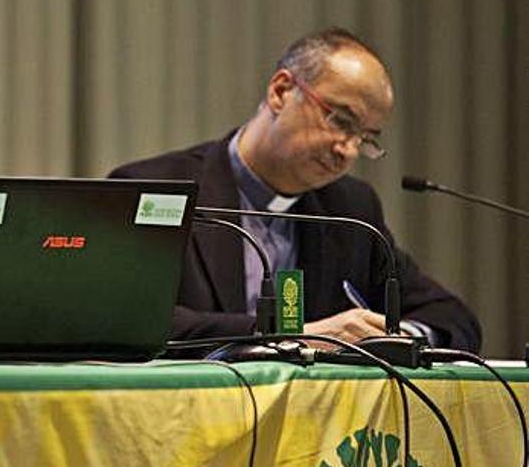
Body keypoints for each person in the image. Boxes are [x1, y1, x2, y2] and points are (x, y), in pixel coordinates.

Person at [110, 27, 481, 352]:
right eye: (340, 120)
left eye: (365, 138)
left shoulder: (350, 210)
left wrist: (396, 336)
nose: (347, 150)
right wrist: (295, 336)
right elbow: (126, 320)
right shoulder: (157, 189)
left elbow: (451, 317)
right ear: (281, 91)